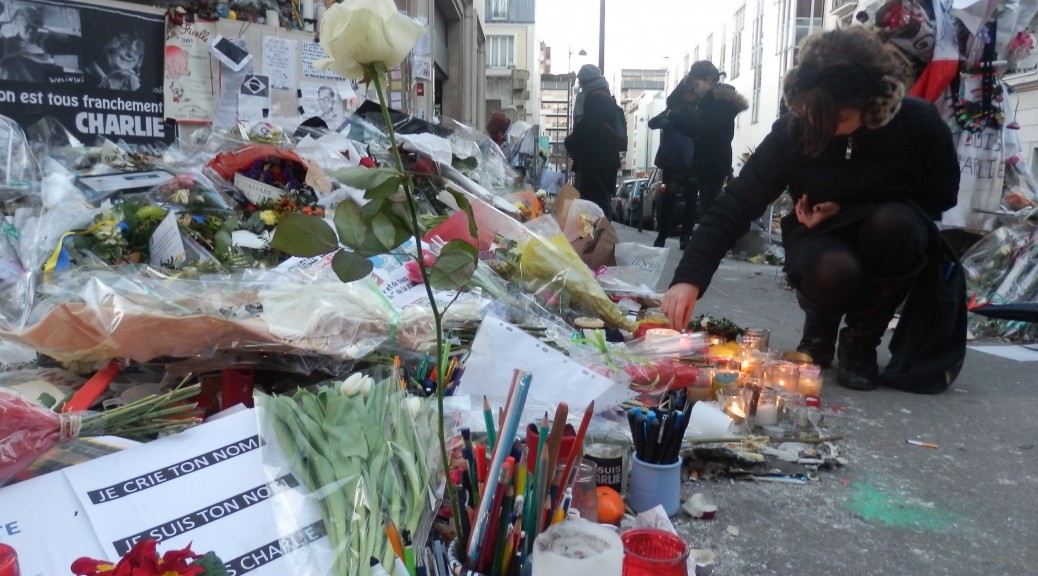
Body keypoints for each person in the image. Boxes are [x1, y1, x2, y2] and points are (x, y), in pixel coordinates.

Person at [661, 26, 962, 392]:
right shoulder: (795, 130)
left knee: (896, 224)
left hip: (890, 231)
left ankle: (861, 342)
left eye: (838, 119)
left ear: (872, 104)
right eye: (814, 116)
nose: (824, 128)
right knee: (835, 266)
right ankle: (819, 332)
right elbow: (736, 205)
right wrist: (689, 279)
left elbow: (941, 196)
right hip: (818, 235)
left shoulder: (917, 123)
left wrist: (852, 207)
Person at [665, 61, 748, 226]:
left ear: (709, 80)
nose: (695, 90)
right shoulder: (709, 101)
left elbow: (703, 127)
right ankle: (709, 237)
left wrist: (677, 118)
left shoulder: (720, 102)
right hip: (707, 161)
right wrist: (676, 119)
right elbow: (696, 127)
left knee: (710, 208)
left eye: (697, 85)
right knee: (707, 207)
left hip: (713, 162)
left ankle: (711, 239)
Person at [564, 64, 621, 220]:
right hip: (605, 159)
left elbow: (588, 126)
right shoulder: (605, 96)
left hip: (595, 161)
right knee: (601, 201)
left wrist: (570, 142)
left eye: (581, 81)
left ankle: (601, 234)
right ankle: (601, 233)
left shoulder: (595, 98)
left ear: (586, 81)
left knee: (596, 203)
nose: (580, 85)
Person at [648, 93, 696, 248]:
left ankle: (665, 236)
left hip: (678, 161)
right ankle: (682, 237)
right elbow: (653, 123)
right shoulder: (687, 111)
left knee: (673, 200)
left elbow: (653, 123)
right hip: (685, 161)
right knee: (686, 201)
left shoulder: (676, 111)